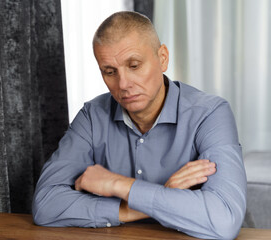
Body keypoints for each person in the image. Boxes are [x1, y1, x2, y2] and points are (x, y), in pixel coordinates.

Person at [32, 11, 246, 239]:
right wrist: (157, 197)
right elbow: (46, 205)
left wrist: (117, 184)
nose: (123, 84)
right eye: (110, 72)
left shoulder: (210, 113)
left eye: (134, 65)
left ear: (162, 58)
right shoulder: (92, 116)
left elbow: (224, 219)